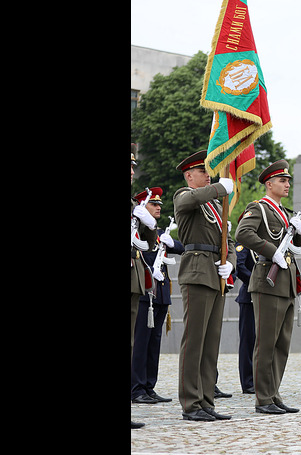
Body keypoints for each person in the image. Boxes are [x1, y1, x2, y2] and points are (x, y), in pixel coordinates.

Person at [235, 160, 301, 415]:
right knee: (266, 343)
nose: (287, 185)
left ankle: (273, 393)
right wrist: (270, 251)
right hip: (268, 279)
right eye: (282, 181)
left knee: (281, 344)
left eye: (288, 181)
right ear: (269, 184)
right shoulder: (259, 208)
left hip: (286, 282)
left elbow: (298, 243)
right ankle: (263, 398)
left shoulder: (284, 212)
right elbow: (243, 233)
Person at [173, 150, 236, 422]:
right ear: (189, 175)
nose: (207, 174)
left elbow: (229, 241)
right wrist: (220, 188)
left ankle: (206, 399)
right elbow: (194, 197)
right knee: (194, 340)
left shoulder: (214, 206)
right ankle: (190, 402)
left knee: (211, 342)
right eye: (202, 171)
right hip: (197, 270)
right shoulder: (184, 196)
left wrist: (230, 263)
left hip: (216, 272)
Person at [132, 187, 180, 405]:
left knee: (154, 343)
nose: (158, 207)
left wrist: (172, 243)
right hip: (144, 295)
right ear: (143, 207)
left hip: (160, 296)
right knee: (141, 342)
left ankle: (149, 386)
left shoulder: (160, 233)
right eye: (154, 204)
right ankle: (136, 387)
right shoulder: (139, 233)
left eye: (160, 205)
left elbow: (181, 247)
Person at [130, 152, 157, 429]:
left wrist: (148, 224)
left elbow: (148, 244)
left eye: (133, 166)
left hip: (134, 279)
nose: (131, 171)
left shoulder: (134, 206)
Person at [233, 233, 256, 394]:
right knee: (248, 341)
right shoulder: (244, 243)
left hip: (264, 296)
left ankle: (259, 379)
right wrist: (257, 282)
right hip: (249, 297)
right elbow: (239, 266)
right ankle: (248, 382)